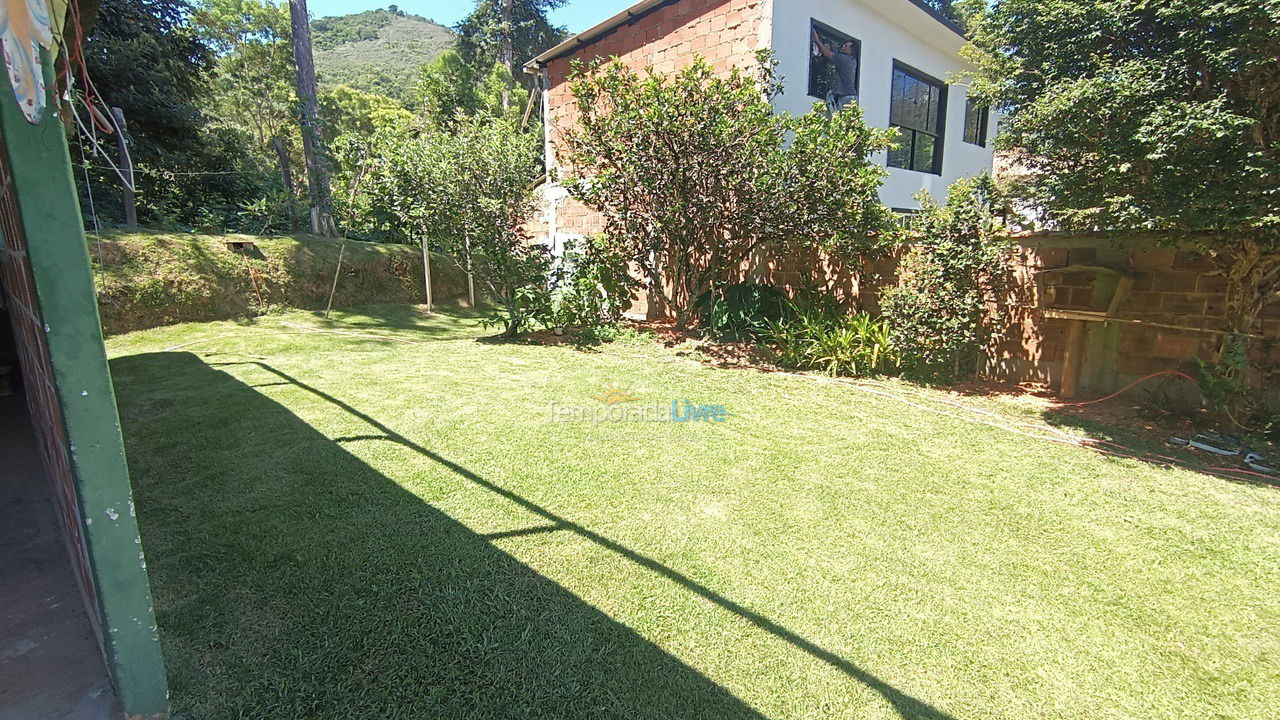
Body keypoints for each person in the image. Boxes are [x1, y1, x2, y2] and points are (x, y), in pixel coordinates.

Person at [813, 28, 858, 113]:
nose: (843, 47)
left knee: (840, 123)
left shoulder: (844, 60)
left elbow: (827, 53)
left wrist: (817, 40)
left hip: (846, 98)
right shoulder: (851, 61)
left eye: (846, 46)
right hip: (849, 97)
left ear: (851, 50)